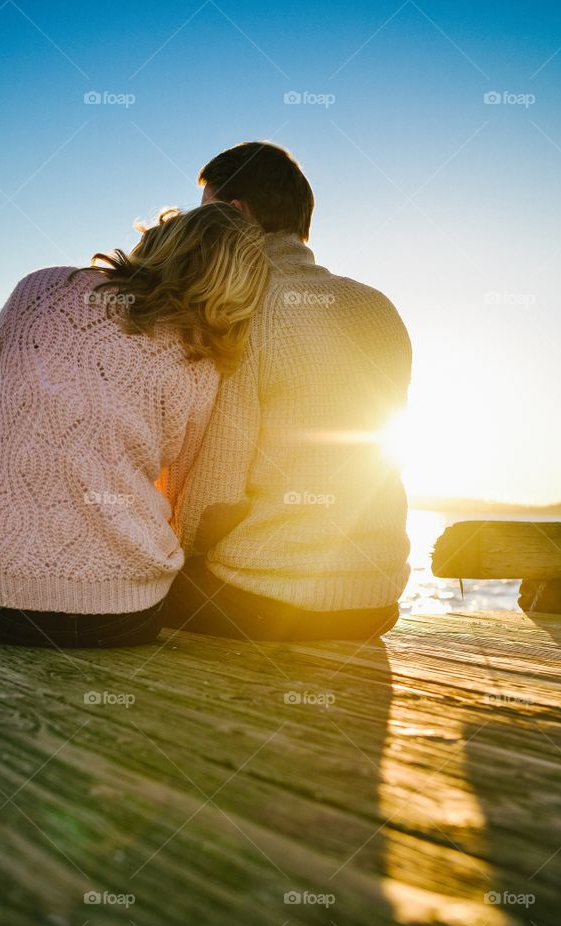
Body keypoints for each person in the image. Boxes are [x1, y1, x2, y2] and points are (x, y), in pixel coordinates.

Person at [0, 204, 268, 648]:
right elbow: (177, 492)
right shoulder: (200, 356)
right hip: (123, 614)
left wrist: (11, 529)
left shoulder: (40, 289)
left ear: (161, 240)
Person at [162, 142, 412, 643]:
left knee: (121, 589)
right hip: (375, 601)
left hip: (265, 601)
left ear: (234, 216)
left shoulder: (239, 308)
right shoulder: (378, 305)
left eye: (206, 214)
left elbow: (213, 496)